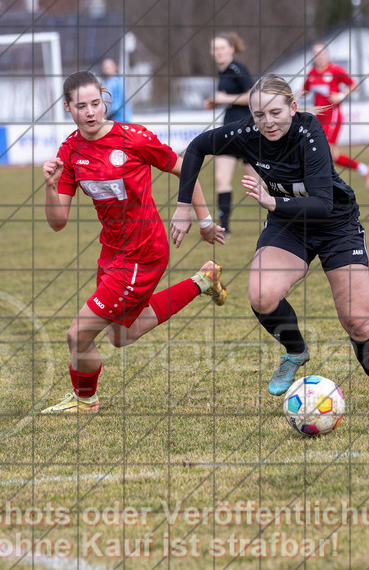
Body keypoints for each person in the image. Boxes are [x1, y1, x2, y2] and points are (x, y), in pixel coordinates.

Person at [171, 73, 369, 410]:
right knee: (261, 296)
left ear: (293, 108)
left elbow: (323, 203)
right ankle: (295, 351)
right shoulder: (246, 134)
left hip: (336, 225)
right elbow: (196, 148)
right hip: (288, 226)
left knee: (356, 319)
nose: (267, 123)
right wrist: (184, 207)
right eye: (259, 115)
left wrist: (272, 203)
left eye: (275, 113)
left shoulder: (309, 133)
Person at [41, 70, 228, 413]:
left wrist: (200, 219)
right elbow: (58, 222)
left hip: (143, 252)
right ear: (68, 108)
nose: (91, 112)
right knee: (120, 335)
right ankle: (203, 281)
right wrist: (51, 186)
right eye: (81, 106)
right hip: (112, 251)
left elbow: (184, 167)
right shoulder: (69, 151)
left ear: (104, 101)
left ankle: (85, 401)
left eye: (96, 103)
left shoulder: (133, 139)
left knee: (77, 335)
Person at [303, 42, 369, 190]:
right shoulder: (311, 74)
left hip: (333, 116)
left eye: (322, 53)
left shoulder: (335, 70)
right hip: (319, 118)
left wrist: (341, 95)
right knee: (333, 156)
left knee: (325, 151)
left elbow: (355, 86)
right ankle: (364, 169)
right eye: (316, 54)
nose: (319, 56)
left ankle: (325, 186)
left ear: (327, 55)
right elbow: (305, 90)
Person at [204, 32, 254, 235]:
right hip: (229, 133)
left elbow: (252, 95)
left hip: (247, 132)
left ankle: (293, 212)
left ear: (231, 49)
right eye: (215, 49)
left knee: (258, 184)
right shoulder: (223, 73)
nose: (219, 52)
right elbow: (230, 99)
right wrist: (215, 102)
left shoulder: (237, 68)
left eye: (223, 47)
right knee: (221, 179)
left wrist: (224, 99)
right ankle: (224, 228)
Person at [101, 57, 131, 123]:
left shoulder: (119, 81)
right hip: (112, 119)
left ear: (114, 67)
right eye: (104, 67)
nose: (106, 69)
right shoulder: (107, 82)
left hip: (121, 119)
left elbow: (119, 101)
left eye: (108, 67)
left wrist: (110, 115)